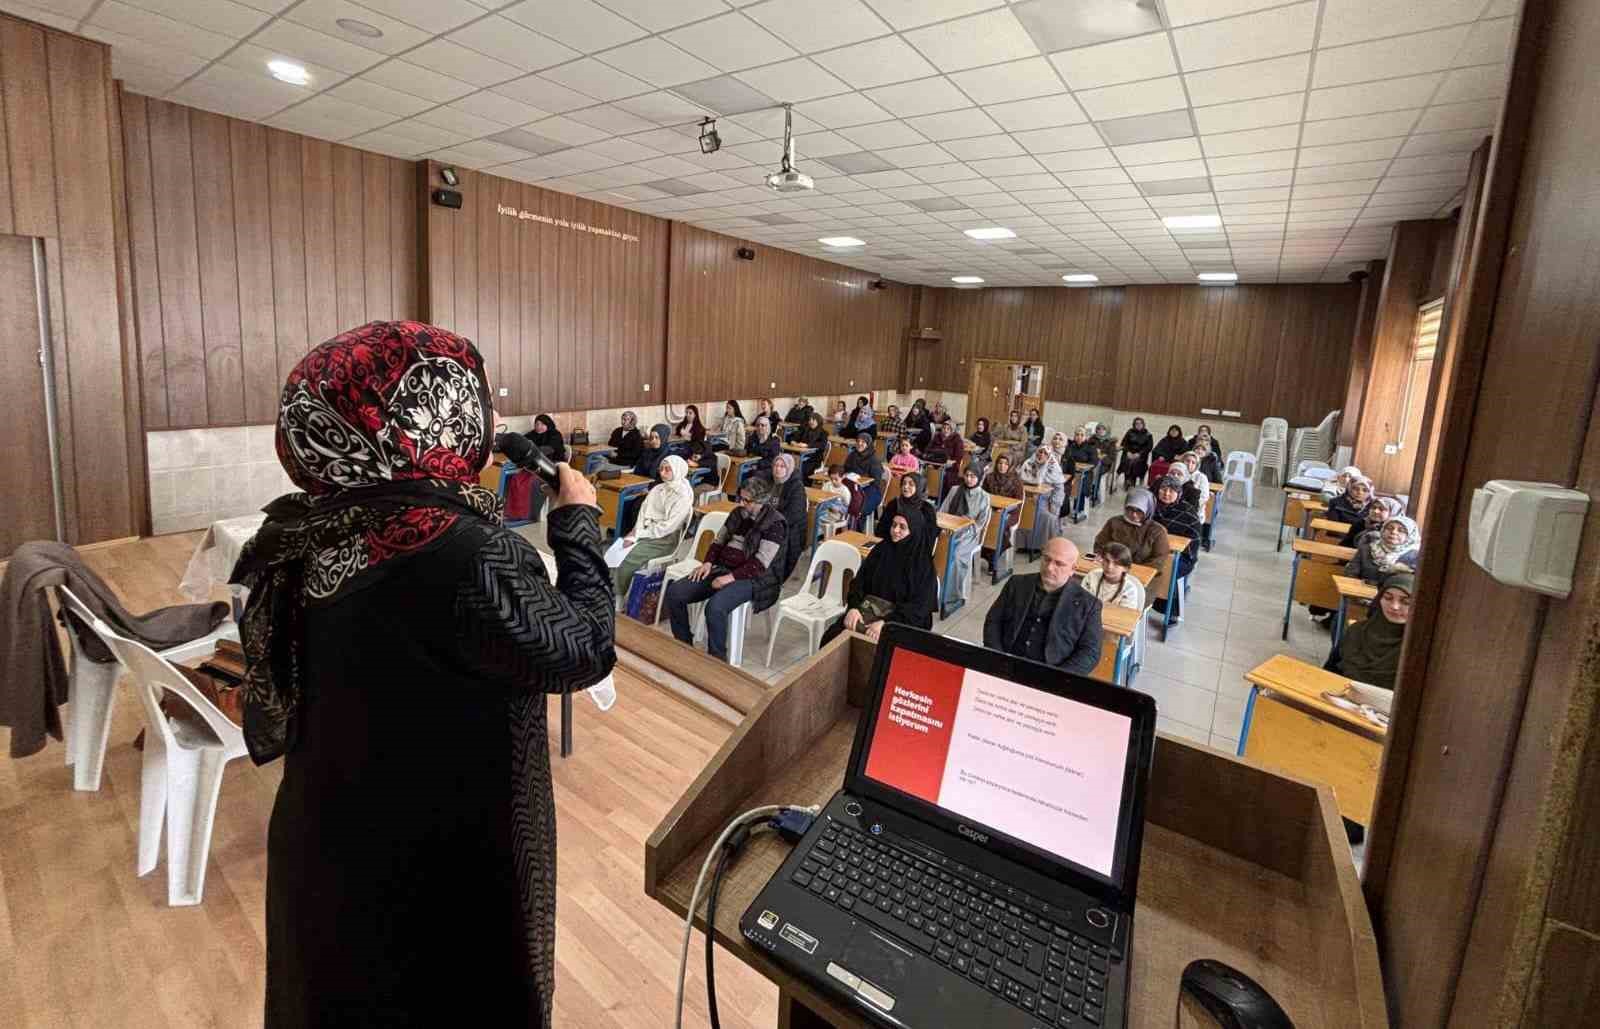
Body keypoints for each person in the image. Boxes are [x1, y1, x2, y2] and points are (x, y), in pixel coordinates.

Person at [234, 322, 614, 1028]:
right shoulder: (462, 553)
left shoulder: (304, 528)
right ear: (424, 417)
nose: (491, 420)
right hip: (439, 873)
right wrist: (579, 524)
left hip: (331, 848)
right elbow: (582, 647)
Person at [664, 477, 786, 663]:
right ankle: (684, 645)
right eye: (740, 498)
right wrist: (707, 563)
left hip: (754, 578)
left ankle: (717, 660)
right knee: (675, 592)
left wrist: (730, 577)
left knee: (715, 607)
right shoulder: (737, 513)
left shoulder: (775, 524)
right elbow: (719, 541)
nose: (741, 503)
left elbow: (760, 564)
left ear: (761, 501)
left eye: (747, 501)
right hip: (722, 567)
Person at [983, 536, 1102, 675]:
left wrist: (1057, 678)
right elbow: (993, 621)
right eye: (1046, 559)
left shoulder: (1089, 605)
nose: (1050, 568)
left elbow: (1090, 652)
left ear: (1072, 569)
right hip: (1007, 664)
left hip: (1053, 674)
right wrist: (998, 658)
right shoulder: (1017, 583)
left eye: (1059, 564)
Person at [819, 509, 937, 647]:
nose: (895, 530)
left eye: (902, 527)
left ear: (914, 531)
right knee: (831, 638)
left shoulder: (922, 565)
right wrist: (853, 608)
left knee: (879, 651)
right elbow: (859, 583)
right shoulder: (881, 550)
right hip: (868, 611)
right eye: (894, 525)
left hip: (902, 622)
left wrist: (886, 623)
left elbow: (919, 608)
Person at [611, 455, 693, 599]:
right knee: (616, 550)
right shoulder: (658, 489)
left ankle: (619, 596)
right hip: (646, 531)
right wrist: (635, 531)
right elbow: (643, 512)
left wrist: (638, 535)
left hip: (665, 539)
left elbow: (668, 527)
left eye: (668, 469)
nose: (662, 473)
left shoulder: (683, 495)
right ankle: (611, 588)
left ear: (678, 470)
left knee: (629, 556)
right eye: (661, 469)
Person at [1325, 571, 1412, 692]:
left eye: (1406, 602)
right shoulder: (1356, 632)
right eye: (1388, 598)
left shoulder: (1420, 648)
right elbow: (1328, 673)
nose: (1394, 606)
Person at [1094, 488, 1171, 602]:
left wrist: (1128, 571)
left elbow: (1159, 560)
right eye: (1130, 509)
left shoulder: (1157, 531)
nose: (1134, 515)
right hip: (1110, 573)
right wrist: (1102, 557)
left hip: (1141, 582)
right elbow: (1100, 545)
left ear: (1148, 509)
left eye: (1139, 511)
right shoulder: (1114, 522)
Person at [1150, 476, 1201, 619]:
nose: (1166, 494)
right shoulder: (1150, 505)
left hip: (1181, 557)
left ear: (1179, 494)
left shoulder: (1188, 512)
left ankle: (1170, 611)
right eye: (1163, 489)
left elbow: (1193, 543)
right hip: (1151, 551)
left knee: (1168, 567)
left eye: (1172, 491)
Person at [940, 465, 991, 601]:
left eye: (973, 476)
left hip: (970, 534)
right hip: (949, 529)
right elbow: (943, 511)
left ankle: (951, 595)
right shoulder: (955, 490)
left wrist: (969, 522)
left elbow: (981, 523)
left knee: (956, 556)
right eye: (966, 475)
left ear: (979, 478)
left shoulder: (984, 497)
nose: (968, 479)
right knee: (932, 548)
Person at [1019, 445, 1066, 555]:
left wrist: (1054, 507)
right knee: (1023, 512)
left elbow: (1059, 491)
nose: (1041, 455)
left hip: (1045, 501)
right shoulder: (1028, 464)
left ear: (1049, 456)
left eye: (1045, 454)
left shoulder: (1053, 468)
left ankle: (1040, 546)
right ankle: (1023, 545)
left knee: (1046, 517)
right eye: (1040, 452)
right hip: (1026, 497)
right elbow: (1019, 482)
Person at [1346, 515, 1421, 584]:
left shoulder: (1416, 557)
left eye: (1400, 530)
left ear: (1410, 536)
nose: (1393, 532)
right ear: (1382, 530)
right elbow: (1350, 573)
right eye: (1389, 528)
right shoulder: (1367, 548)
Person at [879, 472, 939, 557]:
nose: (906, 487)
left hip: (915, 552)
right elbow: (881, 529)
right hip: (891, 546)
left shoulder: (927, 509)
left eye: (911, 484)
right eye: (904, 483)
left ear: (919, 487)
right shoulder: (894, 504)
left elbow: (930, 537)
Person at [772, 454, 809, 581]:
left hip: (792, 530)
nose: (778, 469)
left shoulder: (796, 487)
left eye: (782, 466)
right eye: (776, 465)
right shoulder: (772, 481)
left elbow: (794, 515)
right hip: (774, 523)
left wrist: (771, 522)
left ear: (789, 468)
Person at [1081, 542, 1144, 611]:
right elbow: (1080, 601)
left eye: (1116, 564)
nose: (1109, 567)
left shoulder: (1129, 590)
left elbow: (1124, 617)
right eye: (1107, 561)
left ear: (1125, 568)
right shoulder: (1092, 576)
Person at [843, 433, 886, 529]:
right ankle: (842, 529)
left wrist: (862, 480)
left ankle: (857, 532)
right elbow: (845, 469)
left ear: (868, 444)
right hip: (853, 486)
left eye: (863, 442)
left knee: (858, 506)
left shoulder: (874, 459)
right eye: (858, 441)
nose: (859, 444)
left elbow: (876, 481)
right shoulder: (852, 455)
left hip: (871, 490)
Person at [1067, 426, 1101, 516]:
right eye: (1077, 434)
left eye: (1082, 435)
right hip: (1071, 472)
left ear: (1085, 437)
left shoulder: (1090, 447)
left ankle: (1078, 509)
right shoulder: (1071, 446)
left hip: (1085, 473)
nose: (1079, 437)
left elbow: (1094, 462)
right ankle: (1064, 508)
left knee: (1080, 485)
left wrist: (1081, 466)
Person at [1118, 418, 1153, 491]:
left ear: (1143, 424)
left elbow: (1149, 447)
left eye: (1140, 423)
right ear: (1134, 424)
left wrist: (1139, 454)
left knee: (1135, 462)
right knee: (1127, 460)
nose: (1138, 425)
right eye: (1136, 423)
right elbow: (1124, 443)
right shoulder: (1129, 432)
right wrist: (1127, 452)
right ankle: (1127, 480)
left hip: (1141, 456)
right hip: (1129, 453)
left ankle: (1130, 481)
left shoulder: (1148, 434)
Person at [795, 411, 831, 477]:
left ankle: (805, 485)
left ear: (818, 421)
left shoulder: (823, 433)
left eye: (813, 420)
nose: (810, 422)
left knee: (803, 468)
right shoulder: (806, 430)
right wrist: (793, 442)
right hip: (802, 455)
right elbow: (796, 437)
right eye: (810, 420)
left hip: (814, 459)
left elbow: (822, 445)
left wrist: (807, 445)